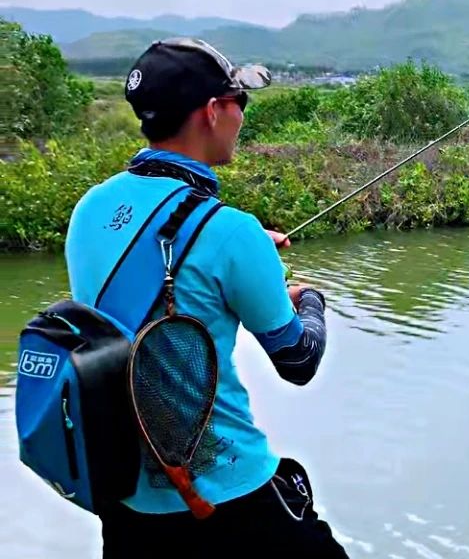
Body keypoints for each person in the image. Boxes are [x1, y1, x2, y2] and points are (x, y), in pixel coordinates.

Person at [63, 37, 349, 558]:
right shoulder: (231, 233)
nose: (242, 114)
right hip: (224, 497)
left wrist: (240, 252)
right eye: (239, 100)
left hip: (127, 496)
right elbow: (298, 361)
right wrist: (309, 299)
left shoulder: (89, 209)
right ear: (214, 111)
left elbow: (153, 274)